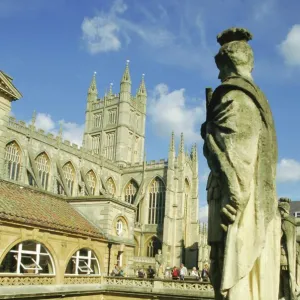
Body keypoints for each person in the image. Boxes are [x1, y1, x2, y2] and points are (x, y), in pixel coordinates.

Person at [201, 27, 281, 299]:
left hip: (240, 214)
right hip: (260, 211)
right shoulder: (260, 101)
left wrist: (207, 133)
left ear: (229, 64)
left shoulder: (233, 96)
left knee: (231, 281)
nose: (219, 76)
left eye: (221, 69)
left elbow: (235, 157)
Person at [278, 198, 299, 299]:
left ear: (284, 210)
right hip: (286, 255)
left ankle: (287, 295)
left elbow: (287, 241)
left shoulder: (286, 223)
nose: (279, 212)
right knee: (284, 277)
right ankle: (286, 295)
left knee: (284, 277)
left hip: (284, 256)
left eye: (280, 210)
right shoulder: (291, 222)